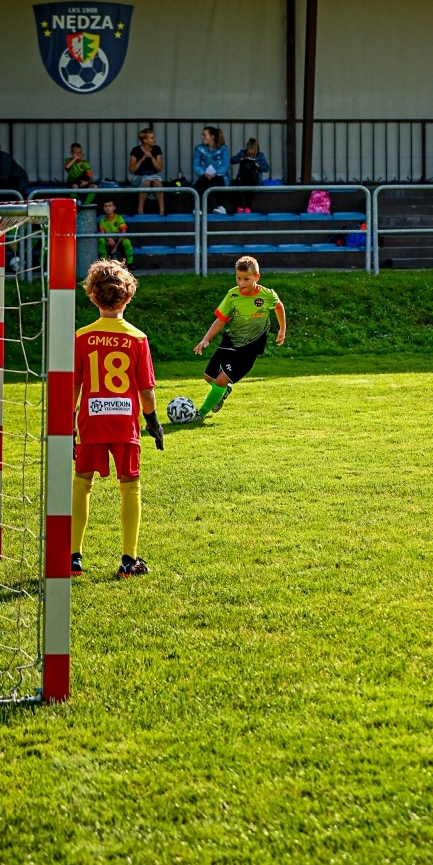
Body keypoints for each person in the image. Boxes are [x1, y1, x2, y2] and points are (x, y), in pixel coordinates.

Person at [71, 260, 164, 579]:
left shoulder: (82, 336)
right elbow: (146, 391)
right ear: (128, 296)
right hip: (125, 424)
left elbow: (74, 387)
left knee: (82, 483)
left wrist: (68, 425)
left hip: (91, 422)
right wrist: (153, 421)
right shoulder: (137, 338)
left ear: (92, 295)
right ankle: (128, 559)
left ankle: (73, 557)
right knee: (130, 486)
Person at [187, 255, 286, 420]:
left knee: (220, 380)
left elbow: (278, 306)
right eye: (238, 278)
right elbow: (221, 320)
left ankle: (201, 413)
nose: (241, 283)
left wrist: (282, 329)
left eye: (246, 279)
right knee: (209, 377)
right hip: (230, 341)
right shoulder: (232, 295)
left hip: (250, 348)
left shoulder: (267, 294)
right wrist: (206, 339)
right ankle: (224, 390)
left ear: (257, 277)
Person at [193, 126, 231, 212]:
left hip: (219, 177)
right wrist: (203, 173)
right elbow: (196, 165)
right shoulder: (199, 149)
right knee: (203, 181)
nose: (202, 137)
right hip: (203, 176)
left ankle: (221, 208)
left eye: (204, 135)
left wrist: (216, 173)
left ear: (212, 137)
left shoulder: (223, 149)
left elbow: (225, 165)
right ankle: (198, 209)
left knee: (218, 179)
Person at [128, 128, 165, 215]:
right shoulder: (136, 150)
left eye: (154, 137)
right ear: (144, 140)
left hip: (153, 176)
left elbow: (159, 168)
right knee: (147, 181)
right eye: (151, 138)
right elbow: (131, 170)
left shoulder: (157, 149)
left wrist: (152, 157)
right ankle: (140, 209)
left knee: (157, 182)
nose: (154, 139)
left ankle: (162, 210)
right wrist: (142, 159)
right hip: (139, 177)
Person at [231, 137, 270, 212]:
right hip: (242, 178)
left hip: (254, 179)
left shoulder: (260, 155)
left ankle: (247, 207)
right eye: (249, 154)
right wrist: (241, 159)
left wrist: (258, 165)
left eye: (252, 154)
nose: (251, 156)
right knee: (235, 185)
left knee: (250, 186)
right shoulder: (242, 153)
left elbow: (266, 168)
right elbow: (232, 160)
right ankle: (239, 207)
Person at [98, 198, 134, 266]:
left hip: (119, 240)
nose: (108, 208)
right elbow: (102, 233)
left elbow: (123, 233)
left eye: (110, 206)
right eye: (106, 206)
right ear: (103, 208)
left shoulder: (119, 218)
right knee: (101, 240)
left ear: (114, 207)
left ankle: (130, 263)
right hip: (109, 241)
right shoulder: (102, 220)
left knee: (127, 242)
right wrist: (109, 238)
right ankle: (104, 262)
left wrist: (116, 247)